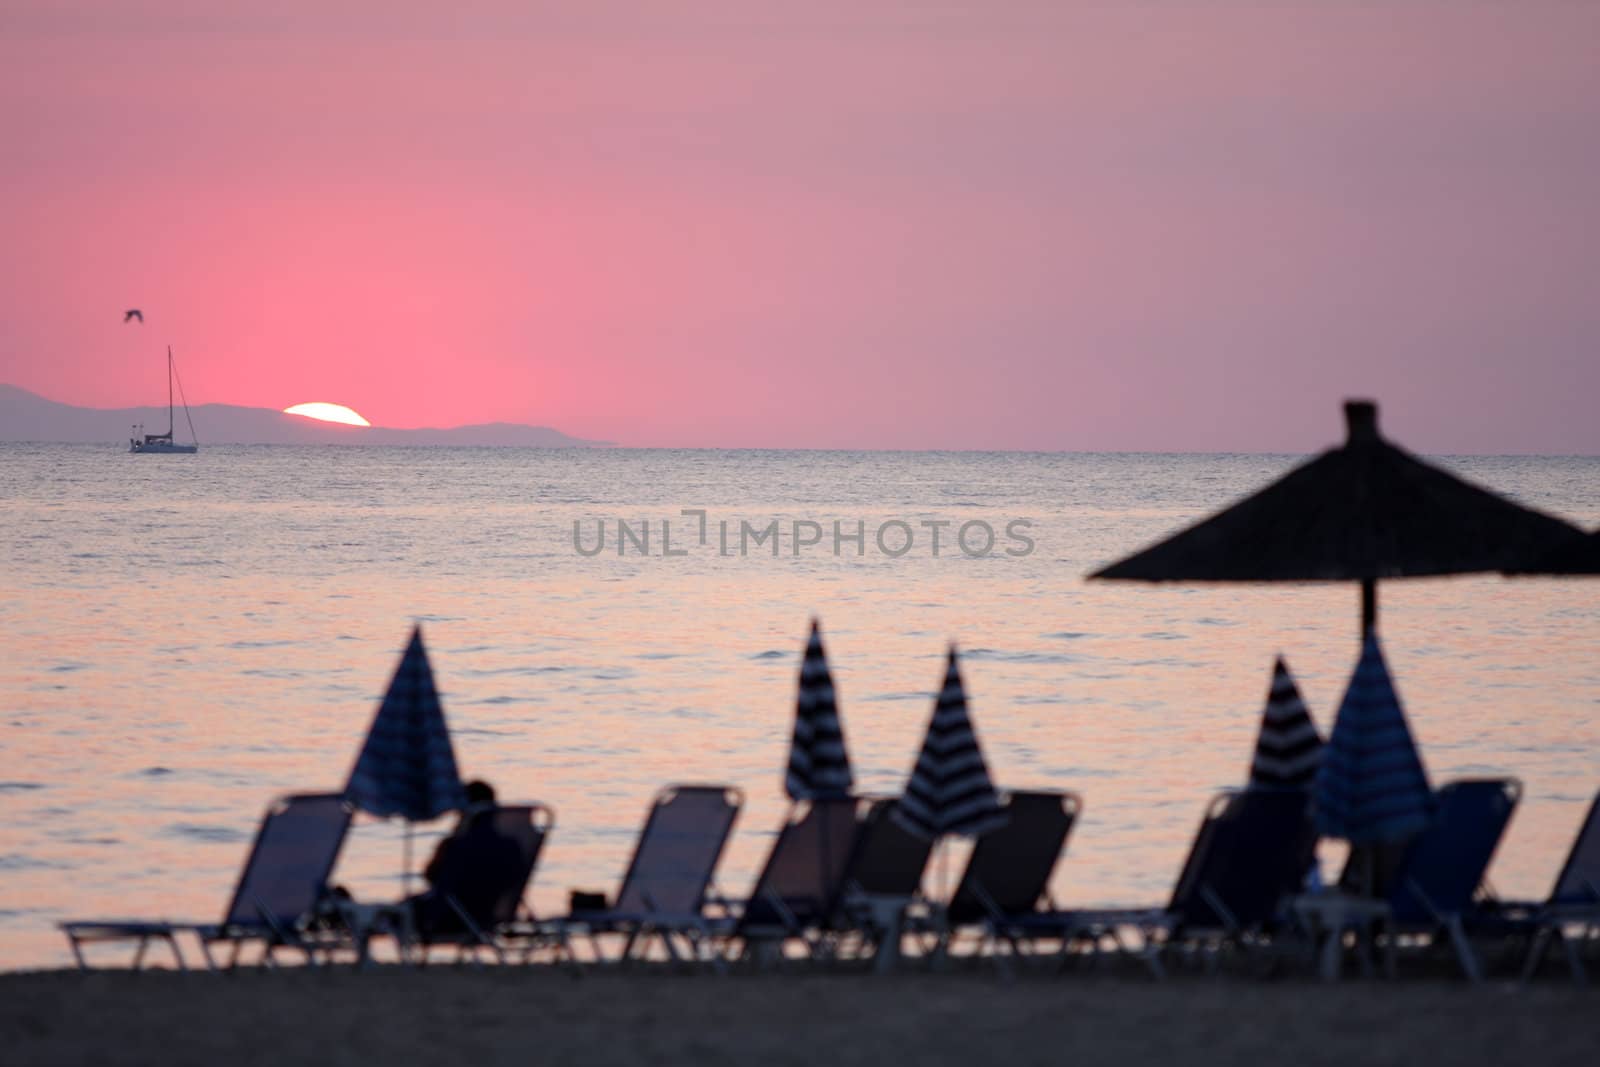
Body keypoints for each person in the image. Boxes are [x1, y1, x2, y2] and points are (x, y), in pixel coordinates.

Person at [410, 779, 524, 937]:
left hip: (447, 918)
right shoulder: (512, 847)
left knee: (399, 909)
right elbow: (514, 880)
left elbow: (430, 876)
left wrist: (454, 835)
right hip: (490, 916)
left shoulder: (455, 845)